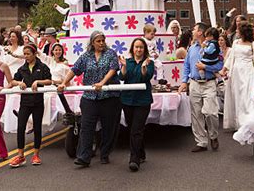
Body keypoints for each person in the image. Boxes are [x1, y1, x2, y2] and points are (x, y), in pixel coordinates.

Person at [58, 31, 121, 167]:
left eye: (103, 40)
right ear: (92, 43)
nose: (101, 43)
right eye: (98, 41)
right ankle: (84, 157)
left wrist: (102, 83)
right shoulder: (86, 56)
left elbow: (113, 69)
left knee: (108, 127)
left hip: (109, 97)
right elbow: (74, 70)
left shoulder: (111, 54)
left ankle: (105, 154)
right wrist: (64, 83)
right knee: (86, 127)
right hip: (90, 97)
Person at [178, 22, 223, 152]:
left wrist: (206, 67)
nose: (192, 31)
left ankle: (213, 135)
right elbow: (186, 66)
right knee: (196, 114)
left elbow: (220, 65)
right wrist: (184, 82)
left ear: (200, 32)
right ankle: (201, 142)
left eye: (194, 29)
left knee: (210, 112)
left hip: (209, 83)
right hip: (194, 83)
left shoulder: (214, 47)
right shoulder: (191, 48)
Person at [9, 43, 52, 168]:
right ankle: (20, 156)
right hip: (25, 102)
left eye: (28, 54)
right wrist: (18, 83)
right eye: (25, 54)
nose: (26, 56)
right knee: (21, 127)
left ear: (34, 54)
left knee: (37, 128)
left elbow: (49, 81)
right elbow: (12, 81)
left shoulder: (43, 67)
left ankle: (36, 154)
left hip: (38, 102)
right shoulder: (22, 69)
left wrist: (38, 82)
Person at [118, 38, 155, 172]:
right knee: (132, 128)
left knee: (136, 130)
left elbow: (146, 77)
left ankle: (134, 159)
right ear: (132, 49)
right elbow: (121, 78)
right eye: (136, 47)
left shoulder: (149, 62)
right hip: (127, 100)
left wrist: (144, 67)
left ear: (144, 49)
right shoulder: (128, 62)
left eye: (141, 47)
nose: (138, 50)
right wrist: (123, 66)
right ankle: (141, 152)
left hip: (142, 101)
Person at [219, 23, 254, 130]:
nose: (236, 31)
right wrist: (224, 69)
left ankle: (247, 122)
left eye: (238, 30)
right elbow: (231, 58)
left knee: (247, 97)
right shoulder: (235, 42)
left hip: (249, 72)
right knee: (237, 96)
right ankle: (238, 122)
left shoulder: (253, 45)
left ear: (243, 32)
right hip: (236, 72)